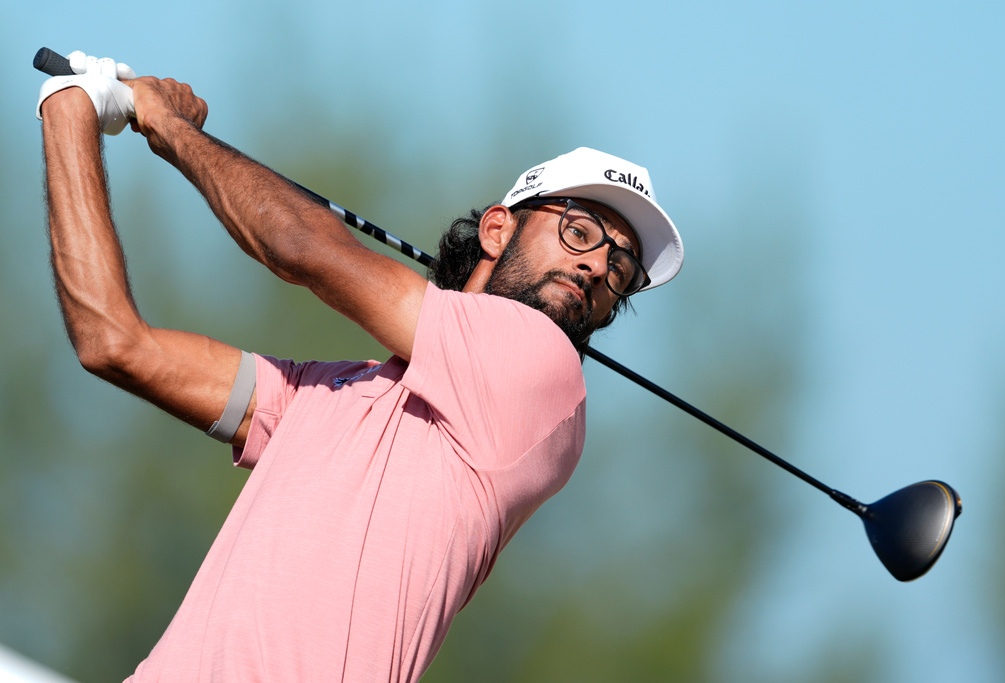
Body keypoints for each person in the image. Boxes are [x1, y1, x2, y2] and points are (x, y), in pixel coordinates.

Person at [37, 53, 683, 682]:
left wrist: (168, 128)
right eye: (580, 231)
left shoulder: (544, 373)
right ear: (496, 229)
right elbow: (113, 341)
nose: (599, 267)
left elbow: (304, 248)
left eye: (621, 269)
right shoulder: (333, 392)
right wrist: (71, 106)